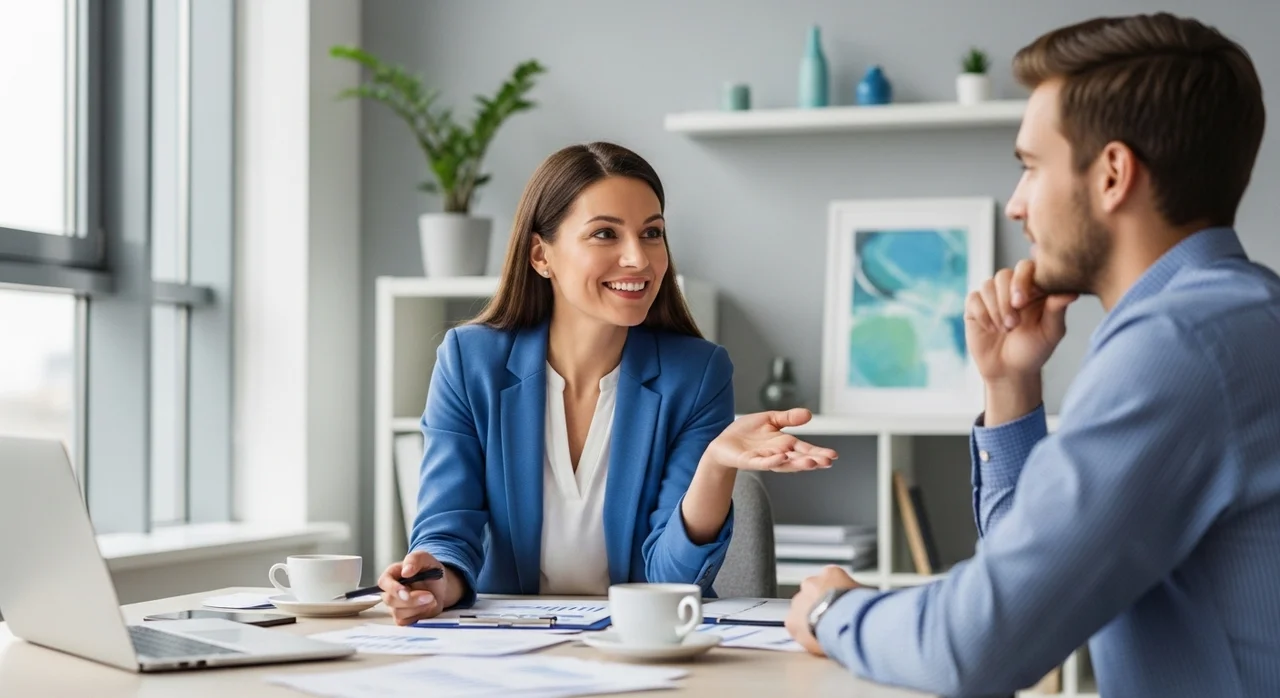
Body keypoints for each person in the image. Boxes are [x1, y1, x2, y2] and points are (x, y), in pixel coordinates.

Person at [785, 12, 1280, 697]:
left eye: (1030, 168)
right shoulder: (1236, 316)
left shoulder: (1178, 347)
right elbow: (1031, 596)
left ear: (1112, 175)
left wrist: (833, 611)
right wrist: (1010, 384)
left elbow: (976, 646)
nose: (1016, 205)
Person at [379, 142, 837, 625]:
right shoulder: (469, 362)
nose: (638, 258)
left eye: (652, 233)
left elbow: (672, 580)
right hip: (507, 643)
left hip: (638, 642)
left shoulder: (697, 374)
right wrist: (434, 580)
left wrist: (715, 465)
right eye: (604, 234)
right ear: (540, 255)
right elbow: (447, 531)